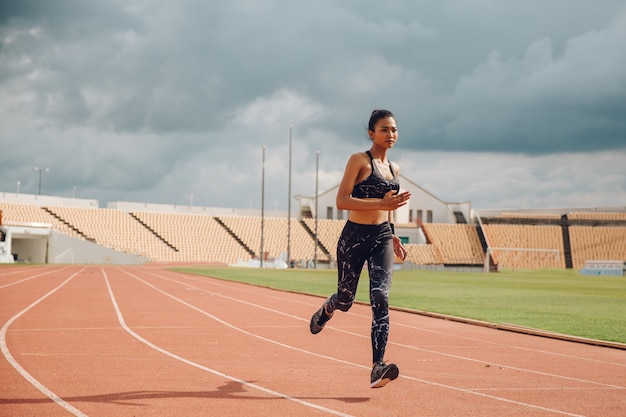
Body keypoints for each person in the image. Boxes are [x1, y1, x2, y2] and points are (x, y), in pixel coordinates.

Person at [309, 109, 411, 388]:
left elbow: (389, 206)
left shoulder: (395, 169)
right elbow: (342, 200)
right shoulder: (358, 160)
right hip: (354, 237)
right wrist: (381, 205)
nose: (390, 134)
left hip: (381, 236)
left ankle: (378, 366)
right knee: (345, 301)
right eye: (384, 129)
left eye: (394, 129)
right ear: (371, 133)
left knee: (381, 296)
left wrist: (392, 234)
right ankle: (328, 308)